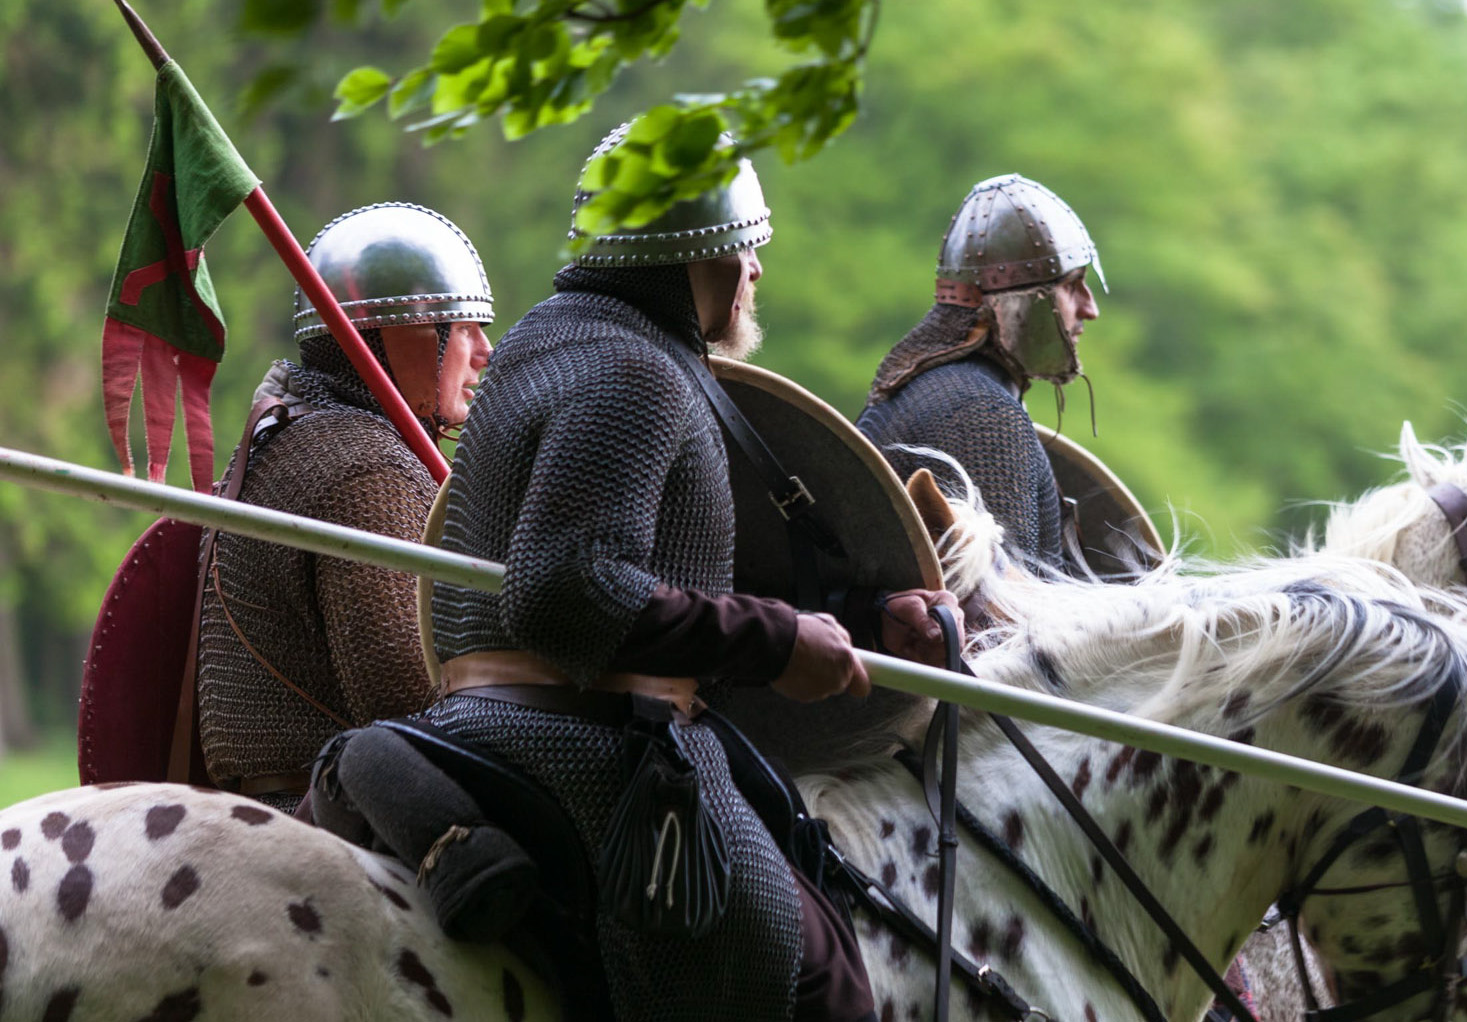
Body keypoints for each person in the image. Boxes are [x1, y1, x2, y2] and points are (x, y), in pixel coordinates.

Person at [318, 127, 953, 1021]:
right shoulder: (634, 374)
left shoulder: (550, 343)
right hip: (593, 744)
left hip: (497, 720)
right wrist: (775, 642)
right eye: (748, 248)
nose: (757, 271)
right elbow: (564, 589)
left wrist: (857, 619)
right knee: (820, 985)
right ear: (703, 253)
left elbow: (670, 576)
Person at [193, 202, 492, 812]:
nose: (485, 351)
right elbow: (410, 709)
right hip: (332, 831)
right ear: (407, 339)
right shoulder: (364, 469)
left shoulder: (292, 436)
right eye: (464, 329)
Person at [857, 174, 1103, 572]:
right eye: (1072, 286)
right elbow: (1003, 615)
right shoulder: (976, 412)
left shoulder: (944, 390)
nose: (1089, 309)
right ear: (1021, 300)